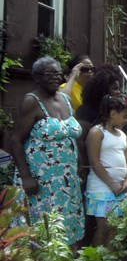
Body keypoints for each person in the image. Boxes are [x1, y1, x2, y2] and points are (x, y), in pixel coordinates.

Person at [11, 56, 84, 245]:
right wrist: (26, 177)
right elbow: (16, 141)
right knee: (42, 233)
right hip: (41, 182)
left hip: (66, 182)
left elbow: (70, 136)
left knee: (66, 230)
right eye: (49, 74)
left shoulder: (66, 100)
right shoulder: (31, 101)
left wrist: (79, 164)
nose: (54, 78)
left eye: (57, 74)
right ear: (36, 77)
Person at [85, 95, 127, 248]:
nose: (126, 120)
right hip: (102, 188)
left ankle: (110, 256)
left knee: (116, 228)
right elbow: (94, 161)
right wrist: (112, 184)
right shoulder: (97, 132)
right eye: (124, 117)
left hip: (120, 188)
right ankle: (95, 257)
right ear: (112, 114)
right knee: (105, 227)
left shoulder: (122, 135)